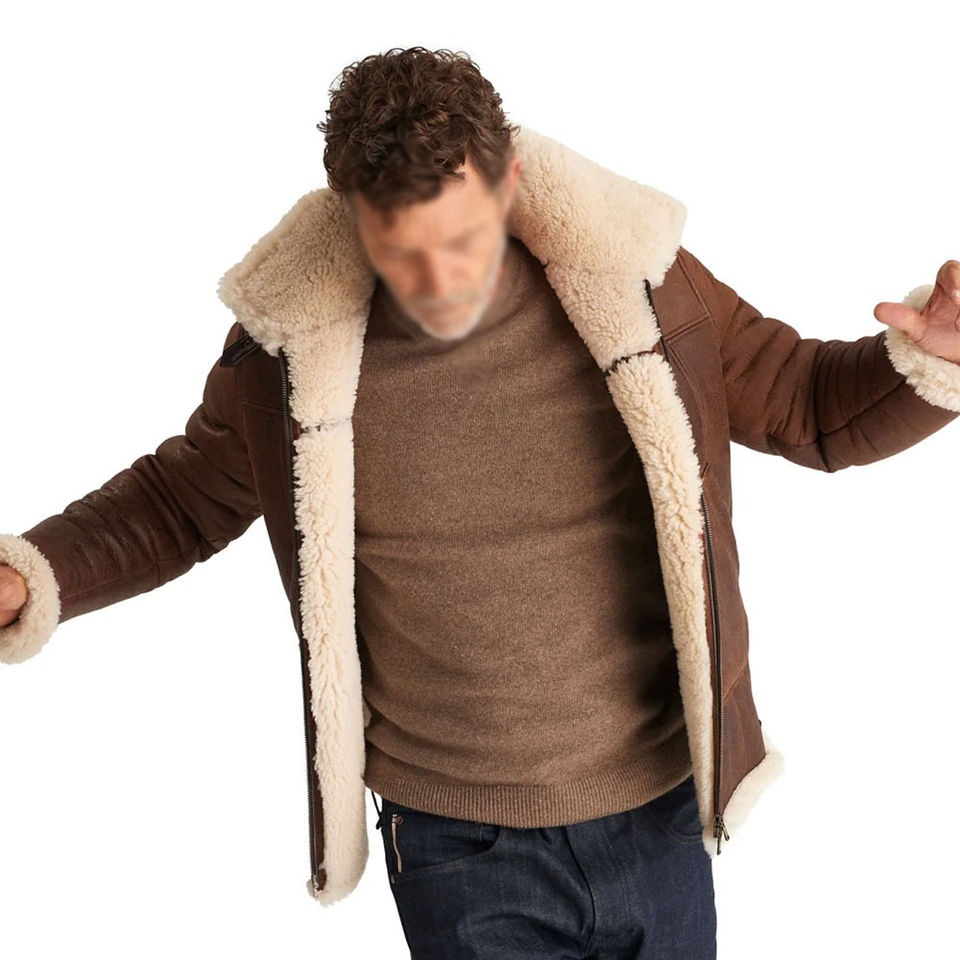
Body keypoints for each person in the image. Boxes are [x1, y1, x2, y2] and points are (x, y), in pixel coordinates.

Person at [2, 45, 959, 960]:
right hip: (455, 844)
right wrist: (29, 576)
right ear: (351, 218)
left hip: (657, 808)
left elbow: (806, 404)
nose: (437, 285)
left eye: (461, 242)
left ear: (507, 184)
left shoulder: (636, 286)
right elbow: (179, 501)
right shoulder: (292, 352)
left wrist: (930, 363)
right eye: (400, 252)